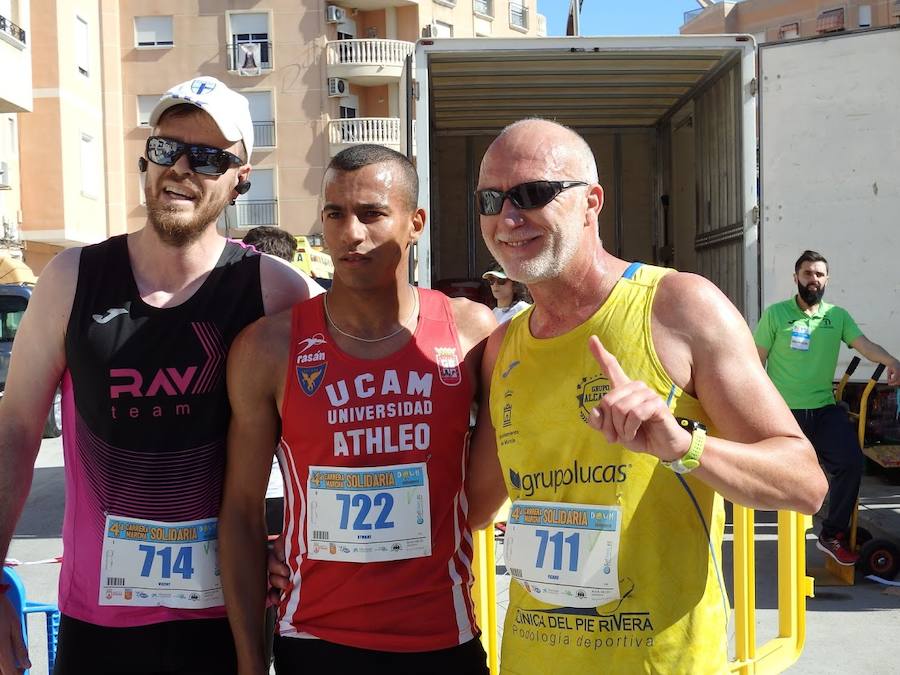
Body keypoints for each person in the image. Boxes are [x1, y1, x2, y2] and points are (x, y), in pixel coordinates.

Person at [462, 118, 828, 674]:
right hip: (531, 661)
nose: (509, 217)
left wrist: (684, 445)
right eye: (492, 199)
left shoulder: (679, 306)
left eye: (533, 194)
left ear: (592, 202)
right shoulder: (502, 347)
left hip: (661, 663)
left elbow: (804, 482)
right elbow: (473, 505)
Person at [0, 76, 321, 675]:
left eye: (207, 157)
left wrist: (298, 540)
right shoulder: (72, 279)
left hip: (229, 618)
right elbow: (16, 430)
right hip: (99, 620)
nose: (180, 167)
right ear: (144, 158)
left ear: (240, 176)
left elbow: (328, 433)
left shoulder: (276, 290)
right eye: (167, 147)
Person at [218, 144, 497, 675]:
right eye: (335, 214)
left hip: (444, 636)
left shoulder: (471, 332)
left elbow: (500, 471)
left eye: (371, 213)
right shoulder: (269, 347)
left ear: (415, 223)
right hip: (314, 640)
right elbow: (239, 506)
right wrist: (251, 664)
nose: (351, 233)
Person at [754, 249, 900, 566]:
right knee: (788, 479)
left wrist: (890, 360)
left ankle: (831, 534)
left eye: (819, 274)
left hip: (822, 408)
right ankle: (788, 540)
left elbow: (864, 345)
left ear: (827, 280)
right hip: (784, 413)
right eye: (807, 273)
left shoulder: (837, 317)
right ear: (796, 278)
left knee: (850, 464)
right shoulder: (776, 315)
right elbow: (755, 361)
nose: (813, 279)